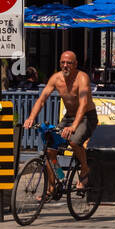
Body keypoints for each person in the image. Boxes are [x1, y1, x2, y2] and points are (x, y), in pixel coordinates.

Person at [23, 51, 97, 188]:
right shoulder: (56, 78)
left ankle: (85, 168)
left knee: (74, 142)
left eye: (69, 63)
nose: (65, 65)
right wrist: (31, 118)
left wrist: (74, 127)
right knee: (50, 150)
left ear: (75, 64)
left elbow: (84, 103)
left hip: (87, 117)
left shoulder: (82, 78)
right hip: (69, 117)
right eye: (63, 62)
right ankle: (54, 186)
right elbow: (42, 99)